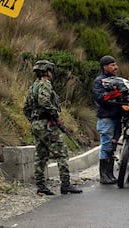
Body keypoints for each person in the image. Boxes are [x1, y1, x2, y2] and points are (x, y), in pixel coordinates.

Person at [23, 60, 82, 195]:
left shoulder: (33, 87)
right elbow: (44, 102)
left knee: (41, 155)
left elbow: (26, 109)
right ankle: (65, 184)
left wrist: (34, 120)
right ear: (47, 72)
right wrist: (53, 114)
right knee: (62, 153)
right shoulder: (45, 84)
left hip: (37, 124)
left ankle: (41, 185)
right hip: (46, 124)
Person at [92, 55, 129, 184]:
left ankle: (110, 174)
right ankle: (104, 175)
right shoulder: (99, 81)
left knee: (112, 145)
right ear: (104, 67)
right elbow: (101, 98)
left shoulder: (117, 80)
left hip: (117, 117)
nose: (115, 67)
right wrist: (118, 93)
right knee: (106, 145)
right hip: (106, 117)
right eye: (112, 65)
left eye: (115, 64)